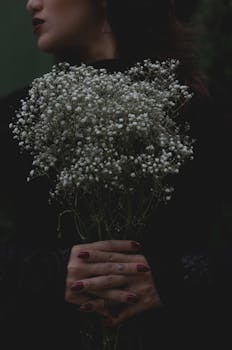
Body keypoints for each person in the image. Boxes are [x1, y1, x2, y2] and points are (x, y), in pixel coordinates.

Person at [0, 0, 229, 349]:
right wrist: (47, 274)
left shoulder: (202, 114)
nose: (32, 2)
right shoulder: (16, 118)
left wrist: (173, 279)